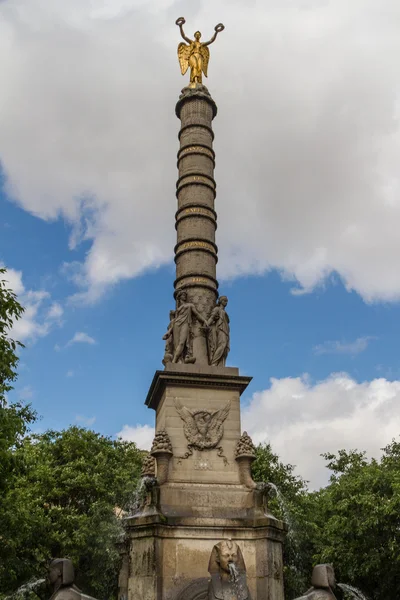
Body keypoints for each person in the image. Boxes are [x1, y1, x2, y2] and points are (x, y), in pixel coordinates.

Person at [172, 290, 206, 363]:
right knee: (176, 344)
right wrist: (169, 332)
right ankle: (180, 360)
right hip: (177, 324)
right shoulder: (178, 309)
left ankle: (174, 360)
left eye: (185, 295)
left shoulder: (190, 305)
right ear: (179, 297)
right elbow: (175, 320)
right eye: (183, 295)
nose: (184, 296)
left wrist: (204, 321)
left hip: (185, 323)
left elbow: (196, 314)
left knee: (181, 343)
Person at [206, 296, 230, 366]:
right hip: (220, 329)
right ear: (220, 301)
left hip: (226, 330)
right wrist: (206, 325)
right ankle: (214, 363)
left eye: (226, 301)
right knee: (222, 345)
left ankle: (220, 364)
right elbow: (212, 318)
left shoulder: (224, 311)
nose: (226, 302)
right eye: (224, 300)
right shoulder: (217, 309)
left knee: (225, 348)